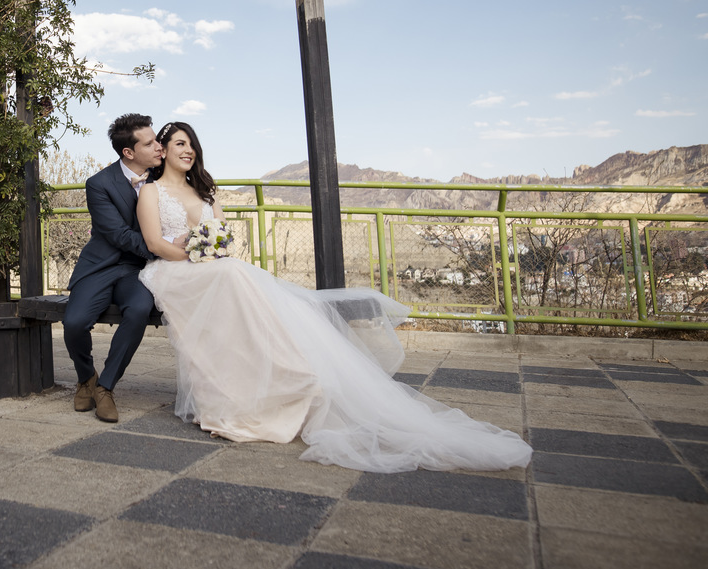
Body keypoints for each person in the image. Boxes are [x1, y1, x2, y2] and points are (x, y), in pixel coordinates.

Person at [136, 121, 533, 473]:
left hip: (215, 270)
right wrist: (198, 256)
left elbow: (222, 238)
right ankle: (243, 391)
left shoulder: (206, 193)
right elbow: (155, 242)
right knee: (234, 276)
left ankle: (287, 374)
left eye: (192, 145)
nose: (188, 151)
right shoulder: (150, 192)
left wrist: (213, 252)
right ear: (164, 151)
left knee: (241, 278)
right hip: (175, 272)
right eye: (179, 144)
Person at [63, 113, 170, 423]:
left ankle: (106, 387)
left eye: (157, 140)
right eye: (150, 143)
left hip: (137, 270)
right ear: (129, 152)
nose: (158, 147)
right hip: (101, 265)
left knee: (138, 309)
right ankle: (86, 377)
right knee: (75, 322)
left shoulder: (163, 177)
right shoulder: (99, 184)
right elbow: (118, 235)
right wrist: (163, 248)